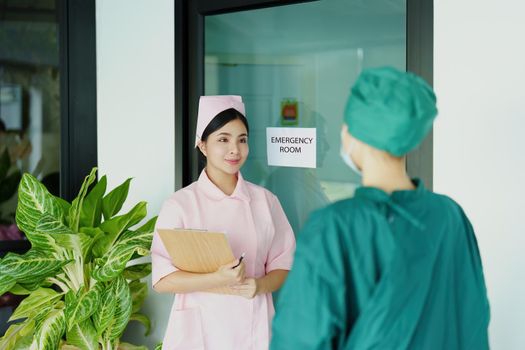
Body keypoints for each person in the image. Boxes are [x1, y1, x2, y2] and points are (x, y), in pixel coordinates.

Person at [270, 67, 490, 349]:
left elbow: (300, 339)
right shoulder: (449, 216)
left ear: (354, 135)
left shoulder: (333, 226)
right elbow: (472, 321)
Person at [151, 95, 296, 350]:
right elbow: (163, 280)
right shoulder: (180, 205)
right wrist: (216, 279)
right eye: (223, 139)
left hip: (255, 328)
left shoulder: (265, 201)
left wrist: (259, 285)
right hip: (198, 333)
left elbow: (284, 265)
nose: (235, 150)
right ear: (203, 145)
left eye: (242, 140)